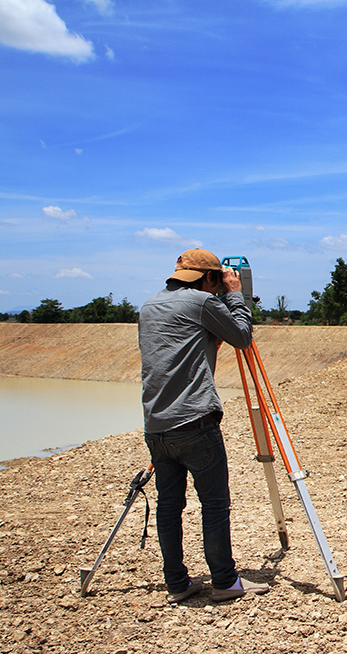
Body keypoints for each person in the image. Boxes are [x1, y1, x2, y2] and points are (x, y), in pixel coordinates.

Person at [139, 248, 270, 603]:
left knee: (169, 504)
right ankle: (225, 582)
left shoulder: (150, 305)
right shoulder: (201, 302)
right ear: (209, 278)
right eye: (218, 279)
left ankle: (177, 584)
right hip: (196, 421)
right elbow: (242, 337)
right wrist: (236, 296)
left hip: (156, 425)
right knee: (214, 504)